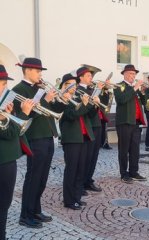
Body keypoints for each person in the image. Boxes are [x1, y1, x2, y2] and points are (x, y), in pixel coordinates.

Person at [13, 57, 69, 228]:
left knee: (42, 178)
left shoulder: (40, 88)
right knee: (33, 177)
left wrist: (62, 100)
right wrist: (46, 100)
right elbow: (28, 114)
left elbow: (52, 111)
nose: (40, 74)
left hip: (48, 135)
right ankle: (25, 215)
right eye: (38, 71)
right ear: (28, 70)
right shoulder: (19, 89)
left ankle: (36, 210)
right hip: (34, 137)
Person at [0, 65, 33, 239]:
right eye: (2, 83)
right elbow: (10, 132)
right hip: (3, 162)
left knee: (4, 205)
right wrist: (25, 114)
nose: (5, 87)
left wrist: (8, 115)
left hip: (8, 160)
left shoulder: (3, 104)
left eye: (5, 83)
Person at [59, 73, 95, 210]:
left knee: (81, 169)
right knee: (72, 170)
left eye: (75, 85)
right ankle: (69, 200)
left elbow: (90, 115)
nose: (74, 88)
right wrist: (84, 105)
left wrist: (94, 104)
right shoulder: (63, 98)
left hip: (84, 136)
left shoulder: (77, 96)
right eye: (71, 85)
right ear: (64, 86)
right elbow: (71, 115)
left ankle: (77, 197)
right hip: (72, 138)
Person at [76, 66, 107, 192]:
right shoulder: (79, 91)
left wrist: (102, 92)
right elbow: (87, 111)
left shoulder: (91, 89)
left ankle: (88, 180)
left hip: (97, 124)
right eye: (88, 76)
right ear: (81, 77)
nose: (91, 78)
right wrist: (96, 93)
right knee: (86, 157)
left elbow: (103, 106)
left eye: (91, 76)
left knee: (94, 156)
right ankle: (81, 182)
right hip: (89, 126)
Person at [114, 64, 146, 184]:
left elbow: (144, 102)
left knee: (135, 149)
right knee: (124, 149)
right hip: (124, 122)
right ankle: (124, 173)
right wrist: (135, 88)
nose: (133, 76)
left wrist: (142, 92)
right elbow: (122, 100)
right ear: (125, 74)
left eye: (134, 74)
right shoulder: (119, 86)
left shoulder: (135, 88)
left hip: (136, 122)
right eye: (131, 74)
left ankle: (134, 172)